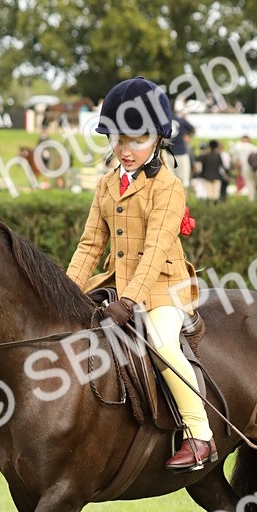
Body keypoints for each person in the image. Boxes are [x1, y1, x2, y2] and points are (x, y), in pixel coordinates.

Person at [66, 76, 216, 470]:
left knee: (162, 344)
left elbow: (154, 252)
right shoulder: (105, 185)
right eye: (117, 139)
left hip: (163, 288)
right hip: (117, 286)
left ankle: (200, 435)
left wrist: (131, 301)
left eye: (136, 139)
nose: (124, 149)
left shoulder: (168, 187)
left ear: (159, 138)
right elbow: (89, 247)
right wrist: (64, 294)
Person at [170, 114, 196, 188]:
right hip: (181, 154)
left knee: (169, 185)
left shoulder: (162, 119)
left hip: (166, 154)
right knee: (183, 185)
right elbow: (193, 130)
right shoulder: (181, 120)